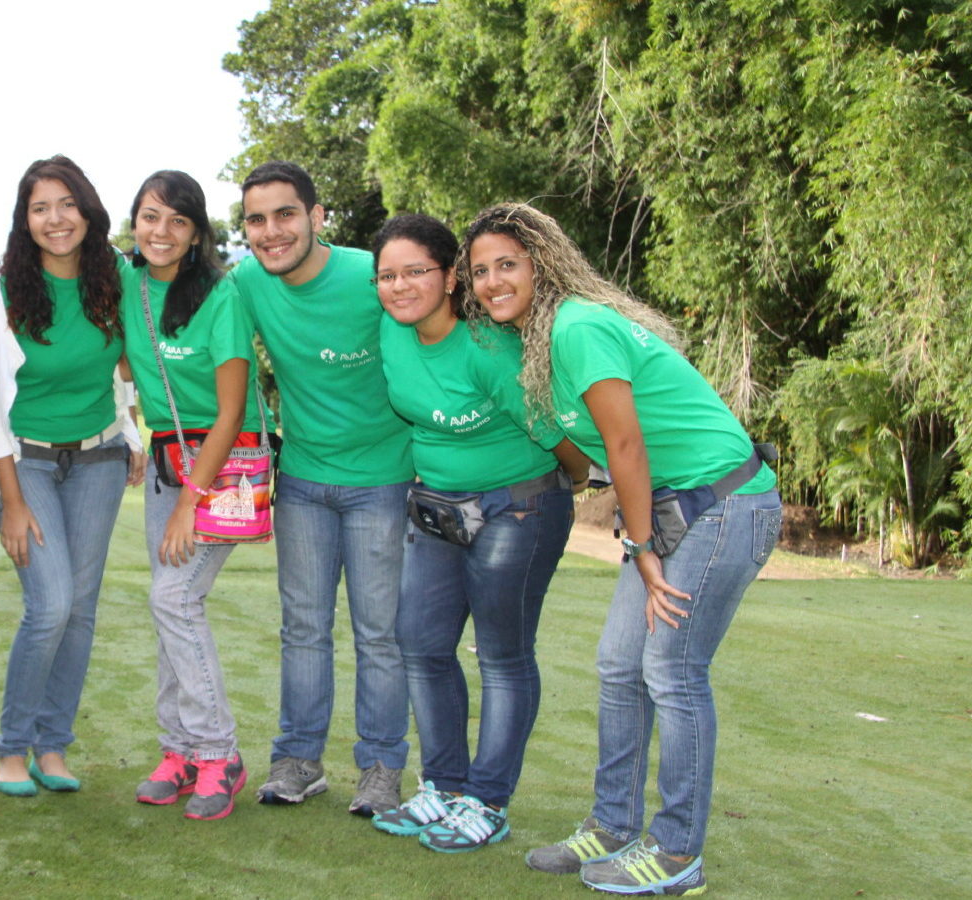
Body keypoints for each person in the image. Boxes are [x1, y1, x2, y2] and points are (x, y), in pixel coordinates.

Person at [465, 203, 781, 895]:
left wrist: (639, 544)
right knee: (617, 664)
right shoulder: (536, 351)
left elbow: (626, 446)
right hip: (680, 510)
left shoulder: (577, 327)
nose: (491, 282)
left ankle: (676, 853)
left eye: (506, 264)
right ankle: (611, 828)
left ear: (540, 264)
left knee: (672, 670)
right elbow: (583, 461)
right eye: (480, 271)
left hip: (728, 503)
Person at [367, 214, 586, 851]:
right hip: (436, 509)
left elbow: (561, 441)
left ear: (450, 276)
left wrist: (568, 489)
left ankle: (487, 802)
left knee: (502, 656)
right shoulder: (390, 329)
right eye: (387, 275)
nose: (400, 287)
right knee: (422, 645)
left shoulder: (489, 348)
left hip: (519, 509)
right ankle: (442, 788)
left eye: (416, 272)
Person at [229, 161, 412, 816]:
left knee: (380, 632)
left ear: (317, 217)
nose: (271, 231)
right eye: (257, 219)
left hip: (384, 481)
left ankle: (382, 766)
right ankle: (298, 760)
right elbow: (187, 304)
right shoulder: (250, 278)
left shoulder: (372, 275)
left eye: (285, 215)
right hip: (302, 479)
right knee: (303, 626)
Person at [0, 155, 144, 796]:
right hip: (27, 461)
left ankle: (53, 747)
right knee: (49, 605)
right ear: (25, 219)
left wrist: (127, 430)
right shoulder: (3, 292)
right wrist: (13, 502)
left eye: (67, 203)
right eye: (40, 207)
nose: (56, 218)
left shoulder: (117, 277)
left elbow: (129, 364)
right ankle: (10, 749)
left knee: (81, 611)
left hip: (98, 461)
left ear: (88, 210)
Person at [120, 171, 263, 820]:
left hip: (224, 468)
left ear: (197, 232)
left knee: (173, 595)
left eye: (178, 221)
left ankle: (218, 753)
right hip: (165, 461)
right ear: (134, 221)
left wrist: (189, 500)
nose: (161, 232)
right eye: (151, 217)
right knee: (170, 607)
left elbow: (233, 411)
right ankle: (177, 751)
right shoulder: (126, 285)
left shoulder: (220, 296)